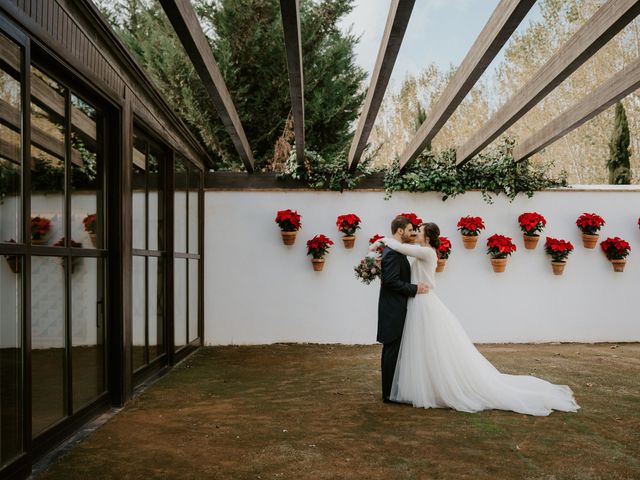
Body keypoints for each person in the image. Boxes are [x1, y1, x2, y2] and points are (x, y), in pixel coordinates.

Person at [371, 222, 579, 416]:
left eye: (420, 230)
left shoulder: (425, 251)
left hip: (423, 303)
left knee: (431, 347)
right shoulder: (422, 252)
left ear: (427, 236)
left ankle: (432, 386)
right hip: (417, 301)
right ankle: (420, 385)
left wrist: (383, 241)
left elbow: (403, 249)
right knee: (422, 348)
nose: (416, 232)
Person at [377, 216, 429, 404]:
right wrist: (415, 289)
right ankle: (389, 394)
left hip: (396, 307)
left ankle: (392, 391)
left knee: (394, 350)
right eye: (409, 230)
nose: (412, 233)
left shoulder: (395, 250)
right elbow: (391, 281)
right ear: (400, 231)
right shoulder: (392, 253)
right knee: (392, 350)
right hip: (393, 309)